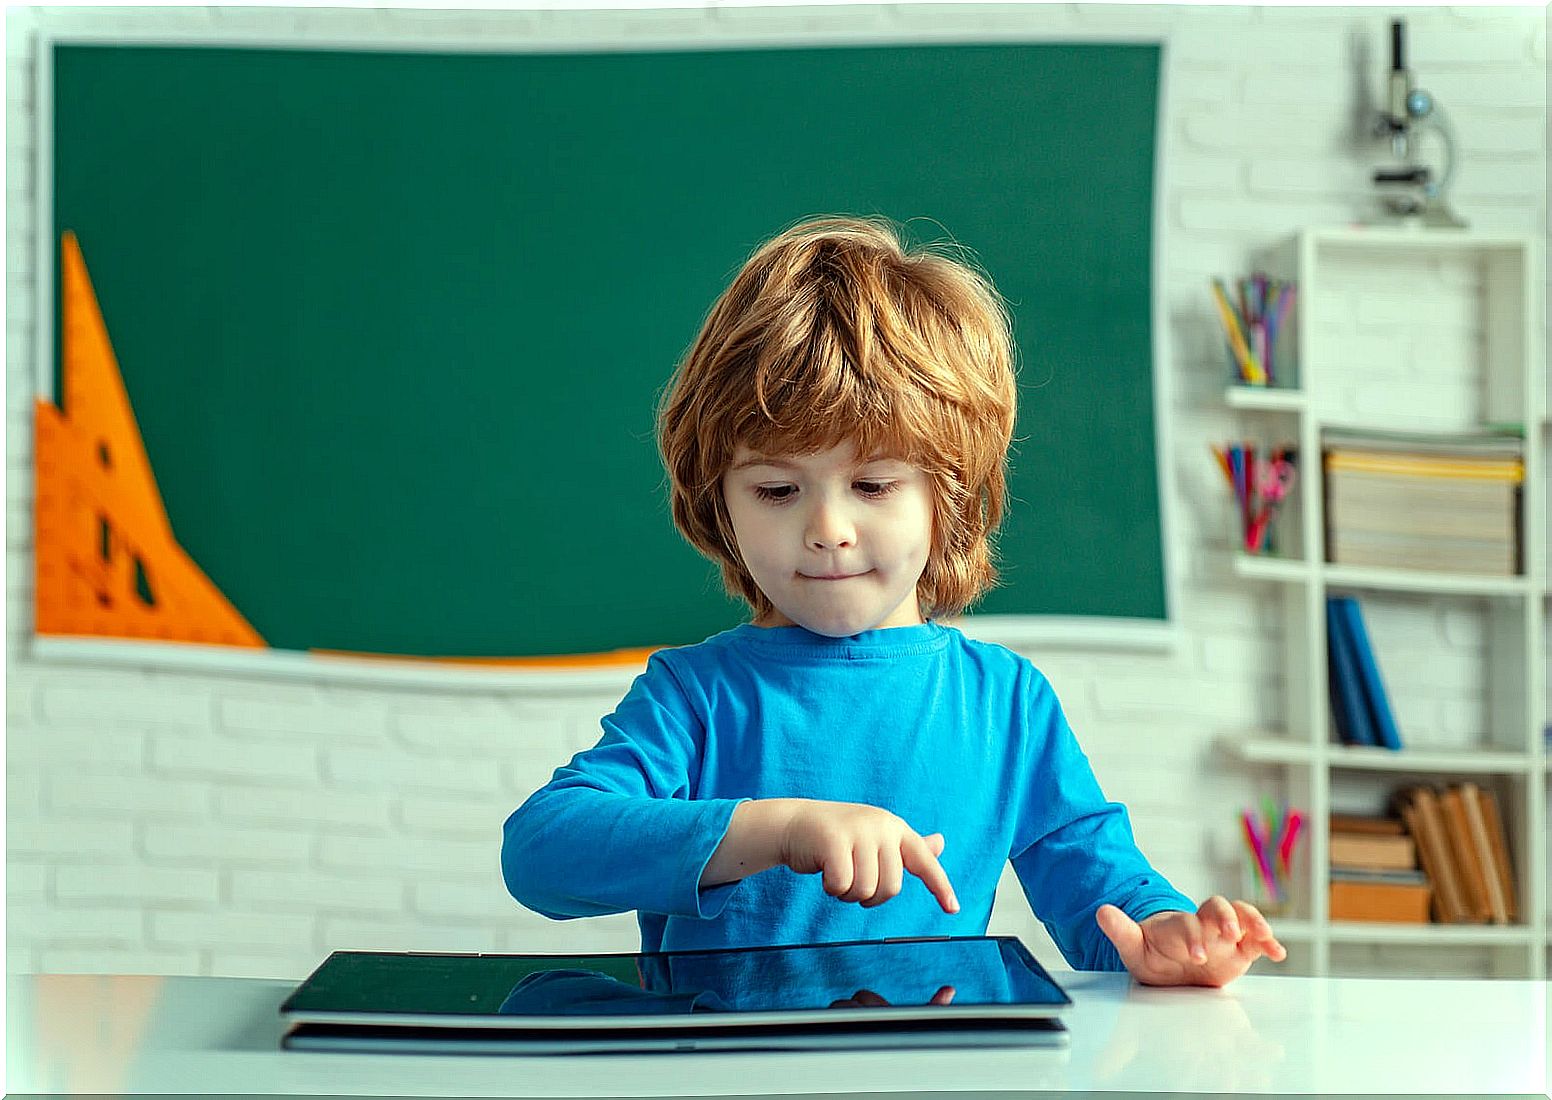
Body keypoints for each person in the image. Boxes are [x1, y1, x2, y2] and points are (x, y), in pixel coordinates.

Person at [502, 215, 1286, 987]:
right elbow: (541, 850)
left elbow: (1102, 891)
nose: (828, 530)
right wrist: (780, 828)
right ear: (720, 503)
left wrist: (1165, 935)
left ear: (946, 495)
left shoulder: (1005, 702)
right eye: (777, 489)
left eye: (874, 485)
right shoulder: (693, 696)